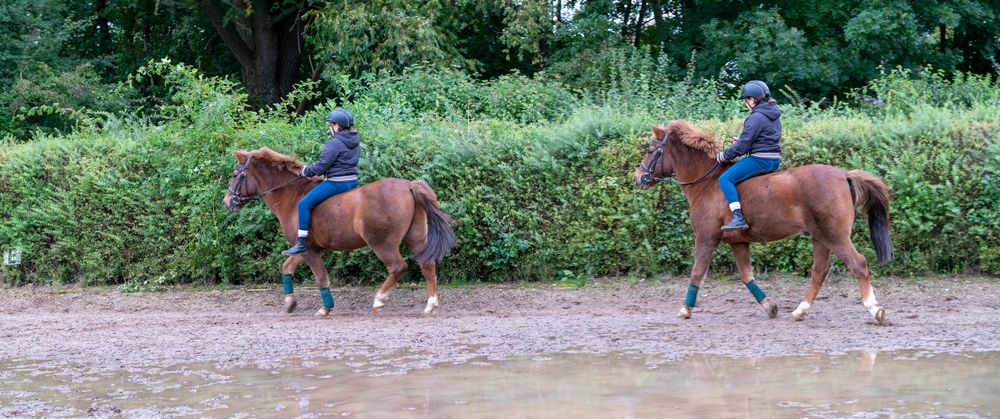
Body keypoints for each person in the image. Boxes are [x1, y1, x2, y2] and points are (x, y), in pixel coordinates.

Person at [282, 108, 360, 256]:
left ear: (337, 126)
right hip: (352, 182)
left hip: (337, 183)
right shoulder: (355, 140)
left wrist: (306, 171)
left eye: (331, 124)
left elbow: (322, 166)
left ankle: (301, 242)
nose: (330, 127)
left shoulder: (335, 143)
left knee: (304, 204)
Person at [716, 80, 782, 231]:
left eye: (746, 100)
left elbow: (741, 148)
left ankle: (738, 217)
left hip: (760, 160)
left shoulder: (755, 117)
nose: (746, 104)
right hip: (774, 160)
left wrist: (723, 156)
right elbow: (764, 138)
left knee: (725, 178)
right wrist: (741, 140)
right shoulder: (775, 115)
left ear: (752, 100)